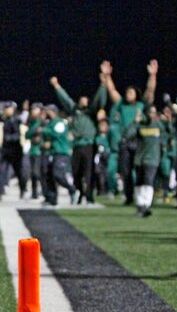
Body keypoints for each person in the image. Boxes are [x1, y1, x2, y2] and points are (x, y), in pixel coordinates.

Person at [103, 60, 158, 205]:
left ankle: (143, 196)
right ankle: (128, 197)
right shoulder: (122, 105)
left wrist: (153, 75)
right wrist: (107, 76)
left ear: (136, 94)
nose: (128, 94)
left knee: (140, 170)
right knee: (125, 171)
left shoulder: (141, 105)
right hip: (126, 142)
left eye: (131, 92)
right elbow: (112, 91)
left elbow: (150, 91)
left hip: (140, 141)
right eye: (127, 92)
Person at [50, 74, 107, 203]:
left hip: (89, 144)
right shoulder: (75, 110)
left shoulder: (91, 111)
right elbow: (65, 99)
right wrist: (57, 86)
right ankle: (80, 192)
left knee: (89, 171)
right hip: (77, 144)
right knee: (76, 172)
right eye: (81, 99)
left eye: (85, 99)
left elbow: (100, 100)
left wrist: (103, 85)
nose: (83, 101)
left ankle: (89, 195)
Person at [124, 105, 165, 217]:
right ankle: (140, 205)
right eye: (150, 112)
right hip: (140, 158)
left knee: (148, 180)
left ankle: (146, 205)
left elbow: (168, 134)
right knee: (139, 182)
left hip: (152, 158)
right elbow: (128, 134)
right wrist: (135, 122)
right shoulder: (140, 125)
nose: (152, 114)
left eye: (153, 112)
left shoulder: (158, 125)